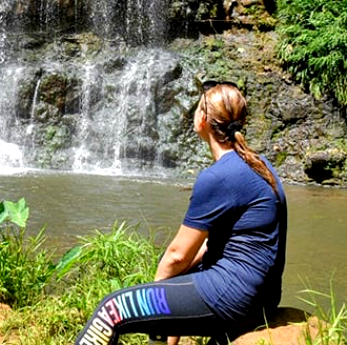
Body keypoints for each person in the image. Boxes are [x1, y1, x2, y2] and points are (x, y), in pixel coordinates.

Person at [75, 81, 287, 345]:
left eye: (198, 108)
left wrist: (153, 293)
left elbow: (176, 256)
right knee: (179, 279)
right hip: (262, 298)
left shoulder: (219, 177)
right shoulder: (261, 164)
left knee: (112, 309)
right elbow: (205, 248)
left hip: (233, 297)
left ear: (204, 118)